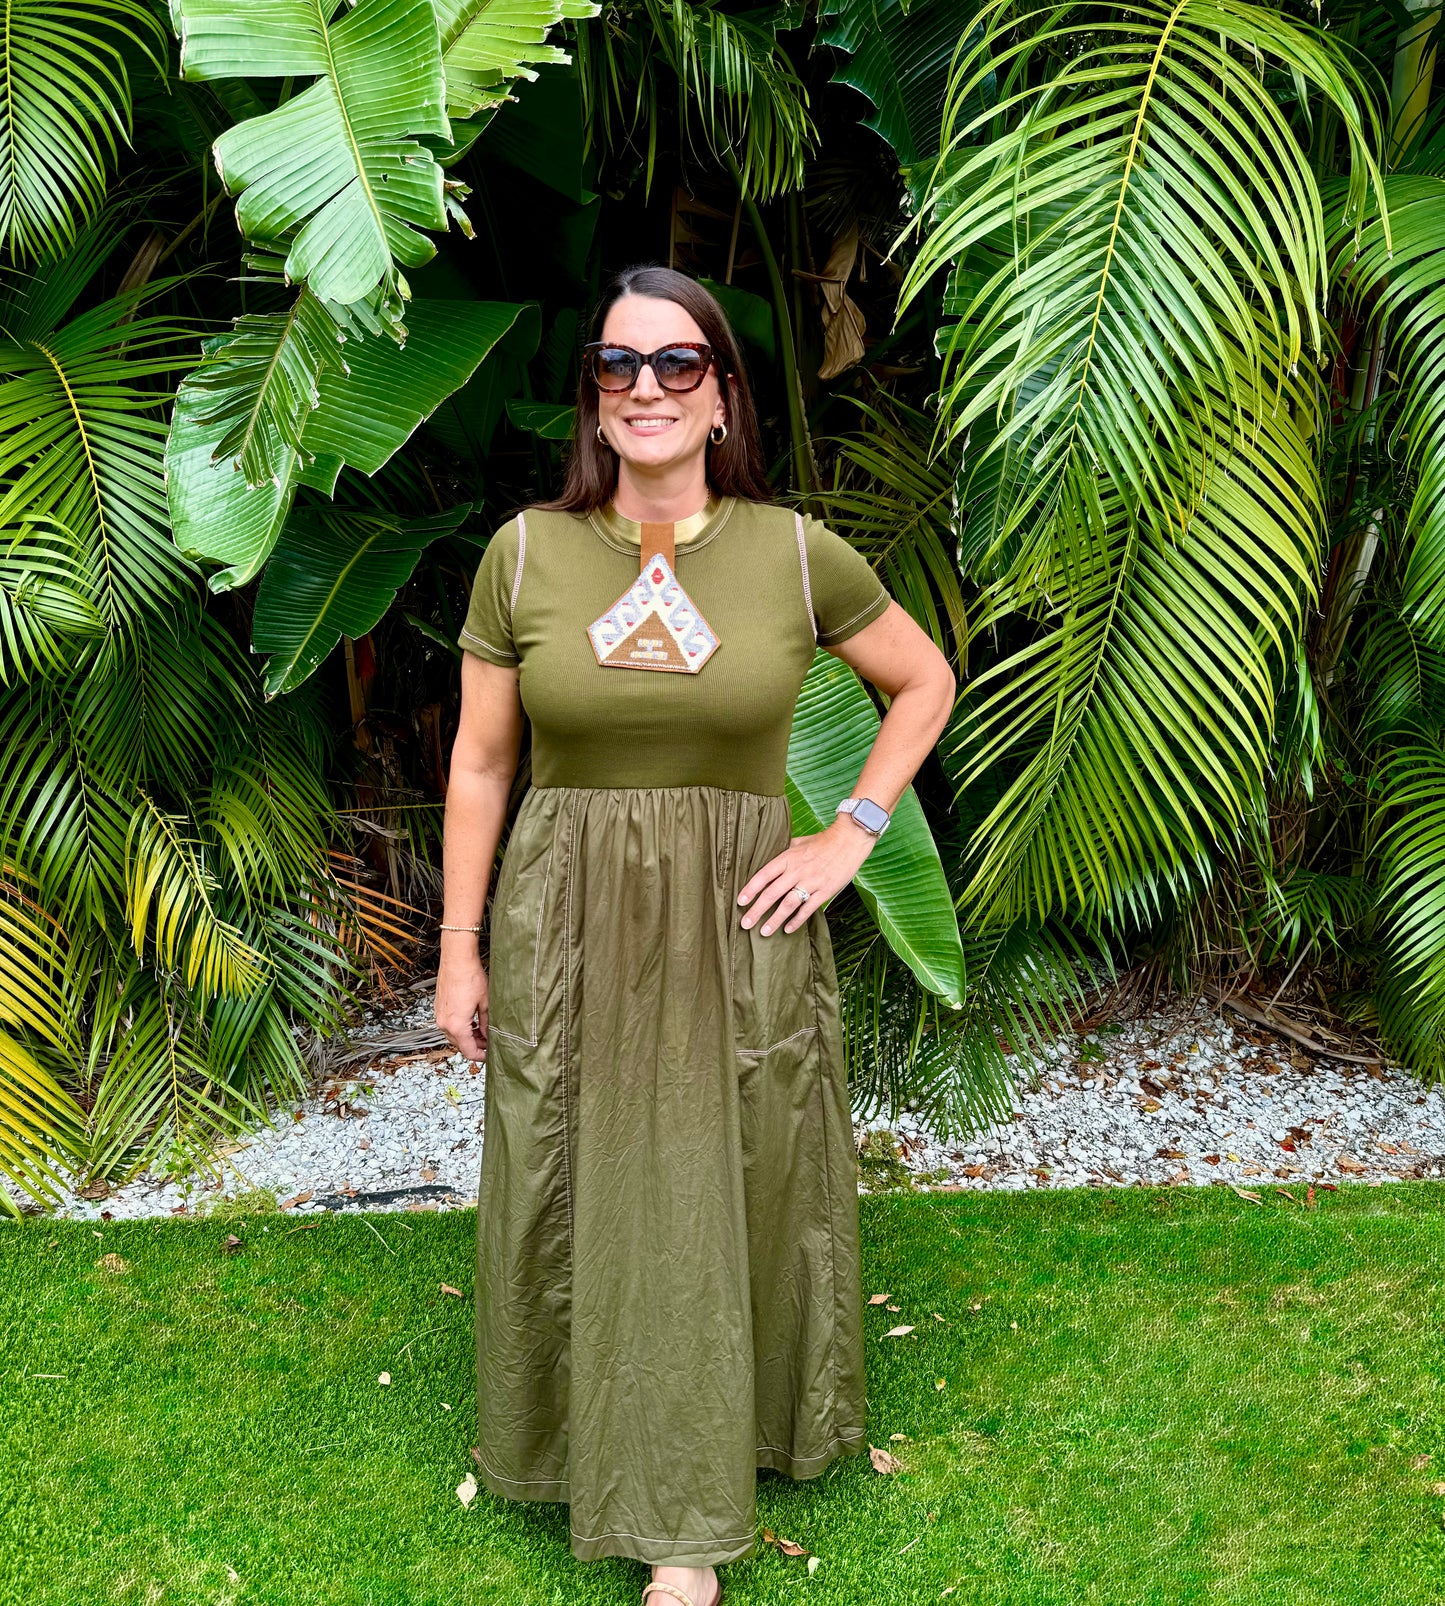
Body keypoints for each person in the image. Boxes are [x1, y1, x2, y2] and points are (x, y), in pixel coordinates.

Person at [435, 264, 954, 1606]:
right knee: (565, 1160)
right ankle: (559, 1434)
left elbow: (920, 679)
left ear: (722, 394)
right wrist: (457, 944)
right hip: (568, 916)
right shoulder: (525, 553)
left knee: (729, 1167)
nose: (646, 388)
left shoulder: (791, 551)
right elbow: (484, 765)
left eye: (677, 365)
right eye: (618, 365)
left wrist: (848, 830)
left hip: (736, 913)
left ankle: (695, 1503)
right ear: (593, 401)